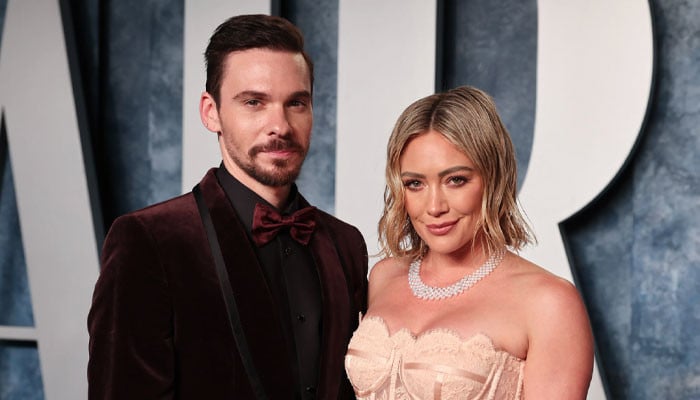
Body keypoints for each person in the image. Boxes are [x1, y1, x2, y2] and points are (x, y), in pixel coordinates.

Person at [88, 14, 368, 399]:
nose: (280, 126)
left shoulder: (345, 244)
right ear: (211, 112)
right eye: (254, 102)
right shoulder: (148, 240)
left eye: (296, 103)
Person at [344, 86, 593, 399]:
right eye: (415, 184)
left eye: (456, 180)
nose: (434, 207)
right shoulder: (384, 276)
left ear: (493, 178)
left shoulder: (549, 302)